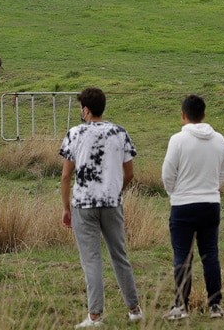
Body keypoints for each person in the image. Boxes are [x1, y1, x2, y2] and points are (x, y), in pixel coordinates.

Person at [60, 87, 143, 327]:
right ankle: (134, 308)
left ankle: (95, 315)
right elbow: (129, 173)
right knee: (119, 254)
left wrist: (66, 207)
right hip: (111, 201)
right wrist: (116, 190)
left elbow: (66, 176)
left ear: (85, 109)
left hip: (84, 203)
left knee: (92, 259)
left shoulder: (74, 134)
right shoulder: (119, 132)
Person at [161, 94, 224, 320]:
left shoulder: (177, 140)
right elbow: (223, 174)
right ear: (204, 114)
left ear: (183, 115)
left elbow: (167, 174)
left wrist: (175, 193)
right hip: (210, 203)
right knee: (210, 254)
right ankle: (215, 306)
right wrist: (211, 188)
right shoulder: (219, 139)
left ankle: (181, 306)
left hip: (183, 205)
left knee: (183, 255)